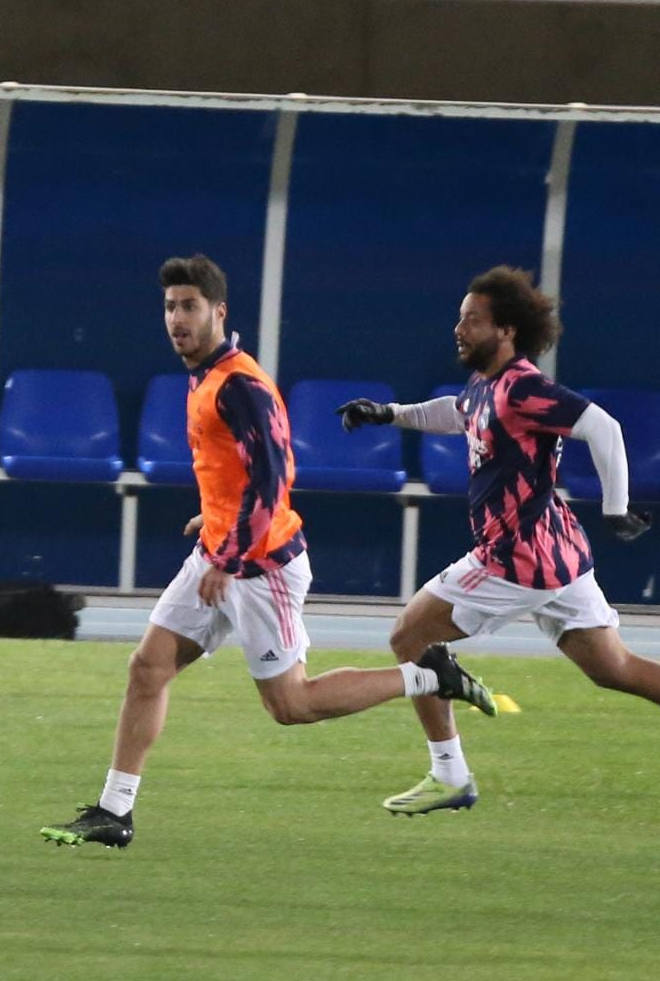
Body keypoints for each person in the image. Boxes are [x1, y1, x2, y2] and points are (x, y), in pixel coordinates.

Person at [40, 254, 497, 849]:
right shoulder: (206, 376)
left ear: (219, 311)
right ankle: (114, 811)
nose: (177, 318)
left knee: (292, 705)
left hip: (260, 568)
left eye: (189, 306)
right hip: (220, 552)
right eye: (170, 307)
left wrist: (229, 554)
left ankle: (426, 674)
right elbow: (237, 472)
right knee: (148, 668)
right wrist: (216, 517)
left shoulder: (242, 385)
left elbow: (274, 476)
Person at [338, 265, 660, 813]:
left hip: (514, 557)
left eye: (473, 320)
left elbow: (604, 427)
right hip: (557, 552)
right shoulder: (485, 386)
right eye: (460, 319)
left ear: (507, 331)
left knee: (408, 636)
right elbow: (457, 413)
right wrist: (389, 414)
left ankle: (450, 774)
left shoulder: (524, 386)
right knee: (612, 668)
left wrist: (616, 507)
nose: (460, 329)